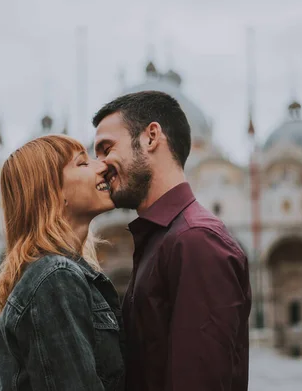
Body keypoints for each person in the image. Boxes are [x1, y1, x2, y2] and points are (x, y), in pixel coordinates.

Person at [93, 90, 252, 391]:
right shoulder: (161, 240)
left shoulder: (196, 242)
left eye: (106, 148)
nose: (99, 166)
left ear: (151, 137)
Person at [0, 135, 125, 391]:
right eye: (83, 163)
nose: (103, 165)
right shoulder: (55, 277)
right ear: (53, 192)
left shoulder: (57, 272)